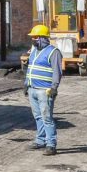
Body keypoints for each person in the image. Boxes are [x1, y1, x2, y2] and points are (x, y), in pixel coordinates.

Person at [24, 24, 62, 155]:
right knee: (38, 117)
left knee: (47, 118)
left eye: (35, 37)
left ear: (42, 38)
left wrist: (54, 88)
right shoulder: (34, 51)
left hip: (45, 90)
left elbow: (57, 72)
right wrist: (26, 84)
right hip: (32, 88)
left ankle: (51, 144)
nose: (33, 39)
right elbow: (30, 68)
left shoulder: (53, 52)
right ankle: (40, 141)